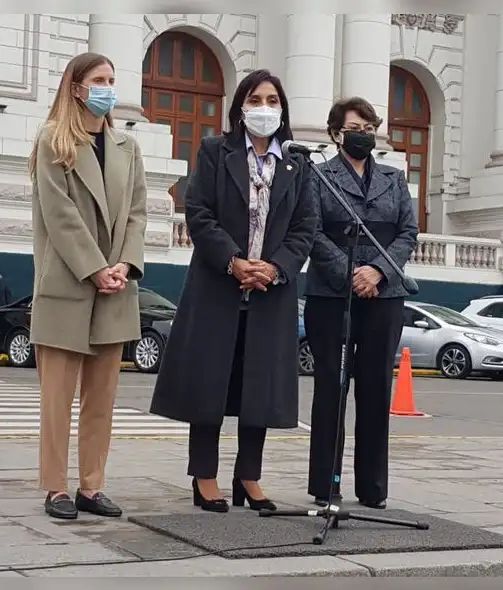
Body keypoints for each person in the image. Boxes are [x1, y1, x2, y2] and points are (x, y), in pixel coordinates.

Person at [149, 69, 317, 513]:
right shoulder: (213, 152)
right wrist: (233, 261)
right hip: (217, 286)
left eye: (272, 100)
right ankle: (204, 477)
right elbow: (199, 212)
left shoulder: (296, 162)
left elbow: (305, 227)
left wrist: (275, 267)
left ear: (283, 109)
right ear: (240, 107)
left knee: (257, 388)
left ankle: (249, 477)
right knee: (211, 384)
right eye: (256, 99)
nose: (265, 108)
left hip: (270, 291)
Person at [27, 52, 148, 520]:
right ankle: (55, 487)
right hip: (68, 286)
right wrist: (96, 267)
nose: (108, 88)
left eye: (112, 80)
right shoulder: (52, 141)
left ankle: (91, 486)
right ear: (76, 87)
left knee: (102, 399)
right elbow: (59, 217)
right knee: (57, 399)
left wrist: (123, 265)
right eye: (99, 79)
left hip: (116, 289)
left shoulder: (127, 148)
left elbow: (138, 213)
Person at [303, 96, 419, 509]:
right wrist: (351, 274)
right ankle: (325, 486)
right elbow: (312, 232)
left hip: (385, 296)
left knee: (374, 392)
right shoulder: (318, 177)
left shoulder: (394, 178)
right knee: (330, 392)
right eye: (356, 128)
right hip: (332, 296)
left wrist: (378, 273)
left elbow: (408, 232)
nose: (363, 135)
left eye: (370, 129)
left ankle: (372, 489)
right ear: (336, 133)